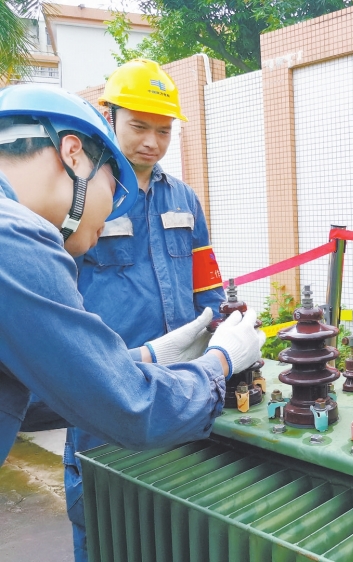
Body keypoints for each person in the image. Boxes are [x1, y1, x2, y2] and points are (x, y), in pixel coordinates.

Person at [0, 83, 264, 549]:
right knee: (107, 527)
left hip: (143, 386)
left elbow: (24, 398)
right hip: (132, 406)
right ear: (74, 154)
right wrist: (221, 362)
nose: (115, 207)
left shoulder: (182, 197)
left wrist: (143, 357)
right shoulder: (17, 240)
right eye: (112, 186)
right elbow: (128, 407)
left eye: (163, 130)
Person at [64, 59, 228, 561]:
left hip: (178, 390)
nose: (152, 142)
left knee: (171, 522)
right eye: (139, 126)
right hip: (105, 391)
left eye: (164, 130)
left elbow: (208, 284)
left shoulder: (184, 199)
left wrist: (223, 332)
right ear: (109, 116)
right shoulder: (84, 196)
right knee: (102, 518)